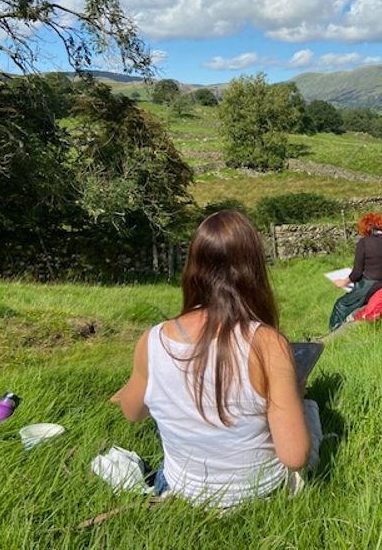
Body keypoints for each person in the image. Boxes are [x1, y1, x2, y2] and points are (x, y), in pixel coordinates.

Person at [111, 210, 317, 508]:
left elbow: (133, 412)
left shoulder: (152, 341)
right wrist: (295, 392)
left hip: (184, 493)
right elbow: (294, 457)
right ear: (254, 269)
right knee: (310, 409)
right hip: (261, 496)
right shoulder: (268, 343)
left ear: (193, 266)